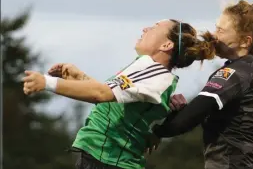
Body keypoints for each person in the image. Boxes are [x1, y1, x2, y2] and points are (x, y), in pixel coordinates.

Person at [22, 19, 218, 169]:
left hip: (108, 161)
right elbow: (113, 103)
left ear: (166, 45)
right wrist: (80, 77)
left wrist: (46, 82)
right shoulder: (146, 68)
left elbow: (100, 94)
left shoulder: (155, 72)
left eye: (154, 27)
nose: (145, 29)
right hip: (102, 158)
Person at [148, 0, 253, 169]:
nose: (214, 35)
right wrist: (181, 112)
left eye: (221, 31)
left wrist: (157, 132)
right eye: (216, 27)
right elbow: (202, 114)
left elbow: (197, 112)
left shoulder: (236, 74)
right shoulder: (248, 68)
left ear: (245, 41)